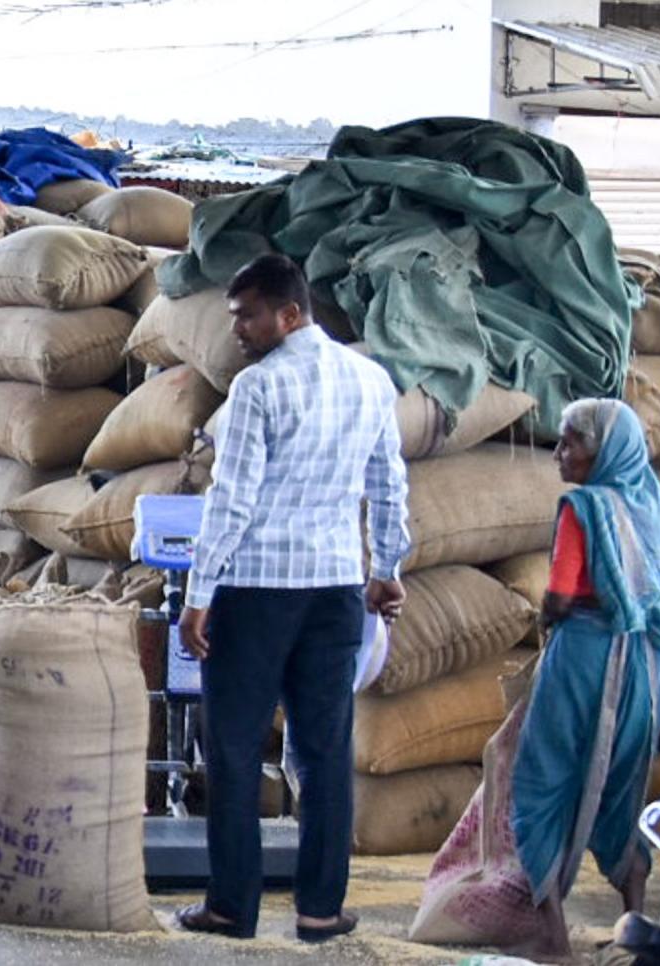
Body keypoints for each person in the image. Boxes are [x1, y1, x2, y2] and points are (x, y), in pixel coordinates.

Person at [175, 253, 411, 942]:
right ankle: (319, 910)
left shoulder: (258, 386)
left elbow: (232, 498)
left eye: (247, 316)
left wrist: (199, 595)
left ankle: (231, 907)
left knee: (235, 750)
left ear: (289, 313)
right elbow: (389, 483)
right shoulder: (372, 380)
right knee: (326, 750)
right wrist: (388, 565)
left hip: (254, 593)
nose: (239, 329)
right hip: (336, 590)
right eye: (233, 317)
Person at [410, 398, 660, 960]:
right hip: (641, 669)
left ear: (603, 452)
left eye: (572, 444)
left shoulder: (582, 508)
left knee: (542, 784)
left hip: (582, 662)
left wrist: (548, 618)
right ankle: (632, 923)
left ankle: (552, 935)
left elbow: (562, 593)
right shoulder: (654, 505)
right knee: (622, 789)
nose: (560, 455)